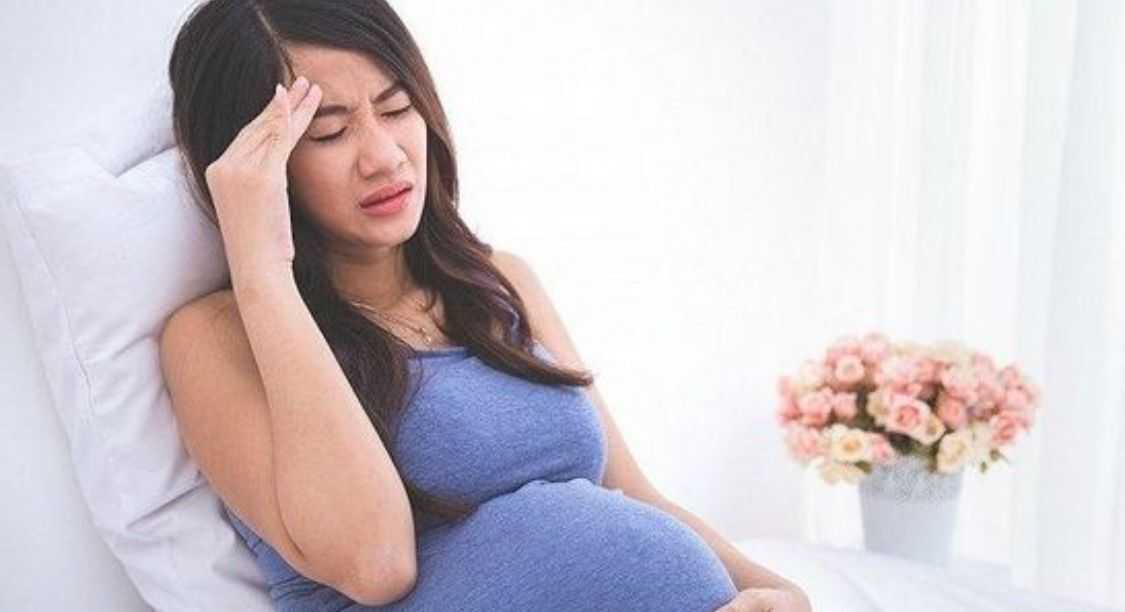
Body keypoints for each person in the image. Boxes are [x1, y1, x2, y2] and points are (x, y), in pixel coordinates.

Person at [158, 1, 812, 610]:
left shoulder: (499, 281)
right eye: (328, 133)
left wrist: (779, 592)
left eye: (396, 107)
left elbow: (632, 493)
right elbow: (375, 564)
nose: (384, 157)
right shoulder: (216, 336)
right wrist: (261, 268)